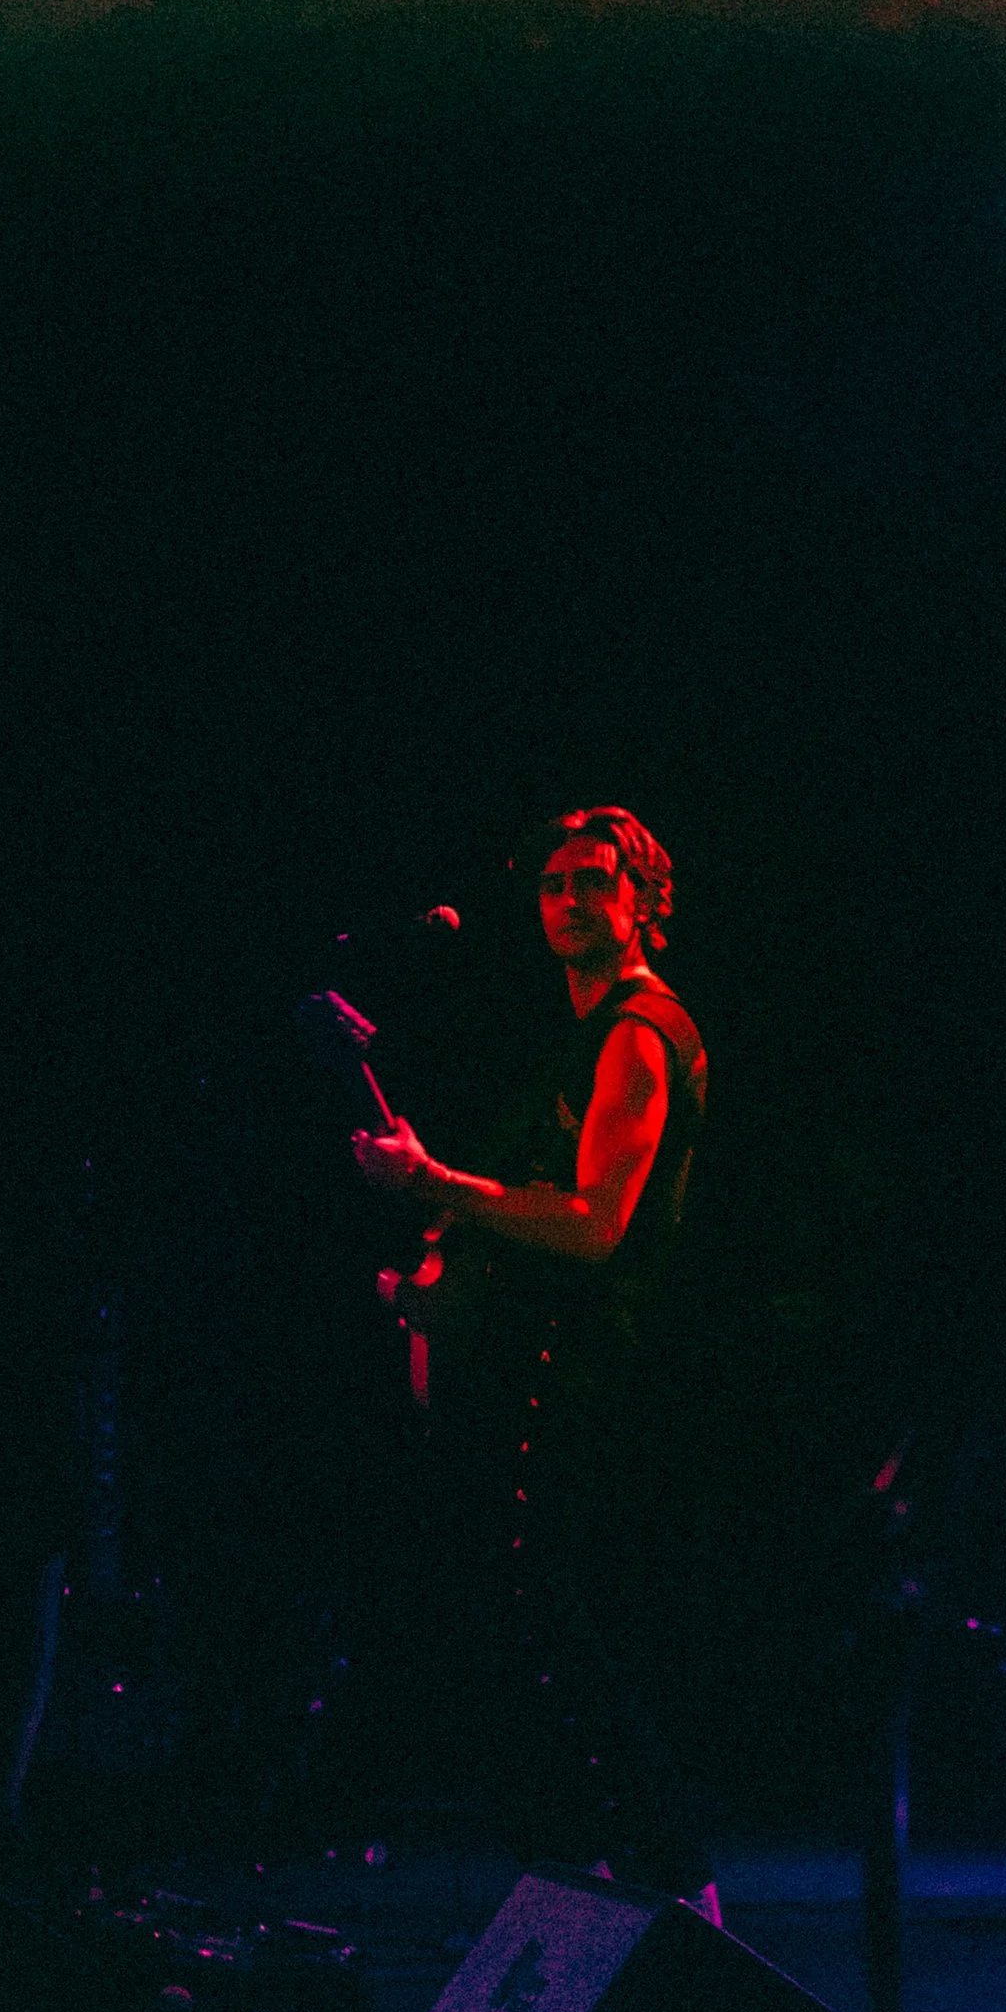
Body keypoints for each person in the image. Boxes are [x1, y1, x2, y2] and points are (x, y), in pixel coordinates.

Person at [352, 805, 716, 1916]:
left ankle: (676, 1903)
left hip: (586, 1383)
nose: (564, 898)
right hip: (543, 1377)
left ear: (642, 899)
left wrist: (437, 1185)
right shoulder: (577, 1033)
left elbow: (597, 1223)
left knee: (568, 1654)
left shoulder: (639, 1031)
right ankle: (591, 1899)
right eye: (551, 881)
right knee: (531, 1652)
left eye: (591, 879)